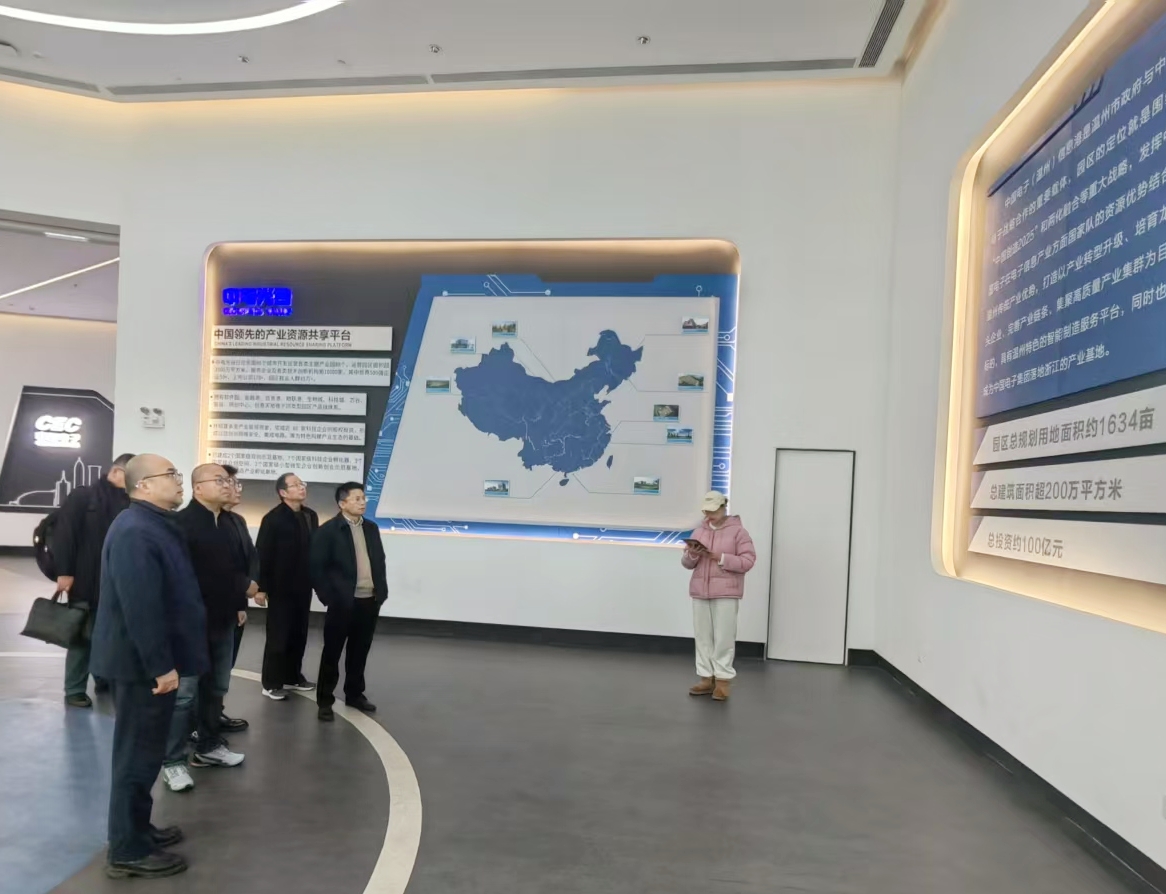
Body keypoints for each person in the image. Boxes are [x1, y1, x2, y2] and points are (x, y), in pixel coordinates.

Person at [90, 455, 207, 879]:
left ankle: (138, 829)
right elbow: (141, 607)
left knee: (146, 753)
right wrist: (161, 666)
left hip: (148, 663)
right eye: (170, 475)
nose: (179, 481)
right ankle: (126, 850)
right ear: (142, 485)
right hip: (142, 667)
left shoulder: (153, 523)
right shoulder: (136, 531)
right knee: (136, 758)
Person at [162, 465, 252, 792]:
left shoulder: (228, 522)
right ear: (198, 488)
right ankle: (173, 762)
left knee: (216, 687)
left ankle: (209, 746)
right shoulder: (181, 524)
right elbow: (175, 577)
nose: (227, 485)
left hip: (223, 621)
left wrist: (238, 604)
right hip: (189, 625)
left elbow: (236, 569)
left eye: (229, 481)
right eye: (220, 480)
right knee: (184, 695)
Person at [54, 452, 135, 707]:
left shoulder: (131, 501)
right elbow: (65, 534)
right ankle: (74, 689)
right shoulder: (83, 497)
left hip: (118, 581)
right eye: (132, 475)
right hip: (85, 579)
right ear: (116, 472)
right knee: (82, 636)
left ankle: (103, 677)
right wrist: (65, 572)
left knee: (111, 632)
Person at [310, 482, 386, 722]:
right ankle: (325, 701)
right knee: (332, 652)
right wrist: (328, 597)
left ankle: (354, 694)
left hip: (369, 600)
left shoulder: (371, 528)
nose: (362, 502)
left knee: (359, 651)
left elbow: (379, 561)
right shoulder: (328, 530)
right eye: (356, 499)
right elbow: (316, 568)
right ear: (342, 503)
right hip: (342, 602)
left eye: (363, 498)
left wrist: (381, 592)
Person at [681, 491, 756, 702]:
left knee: (724, 637)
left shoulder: (739, 532)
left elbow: (748, 561)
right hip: (700, 591)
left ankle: (723, 680)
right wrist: (692, 553)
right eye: (706, 511)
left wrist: (720, 558)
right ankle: (706, 677)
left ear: (724, 507)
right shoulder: (698, 532)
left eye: (713, 510)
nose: (709, 514)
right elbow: (686, 564)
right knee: (702, 637)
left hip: (726, 591)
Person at [256, 473, 319, 700]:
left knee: (298, 633)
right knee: (278, 635)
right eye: (295, 485)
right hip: (280, 586)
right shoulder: (273, 519)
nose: (301, 488)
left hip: (303, 585)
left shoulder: (310, 515)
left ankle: (292, 676)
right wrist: (261, 587)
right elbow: (262, 553)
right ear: (283, 492)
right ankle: (271, 683)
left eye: (302, 484)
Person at [219, 464, 257, 732]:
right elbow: (219, 567)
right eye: (232, 483)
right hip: (215, 607)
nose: (237, 489)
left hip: (235, 603)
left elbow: (249, 558)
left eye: (237, 484)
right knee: (208, 669)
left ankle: (214, 712)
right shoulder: (208, 523)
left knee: (226, 665)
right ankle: (197, 721)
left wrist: (242, 602)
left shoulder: (237, 520)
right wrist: (244, 585)